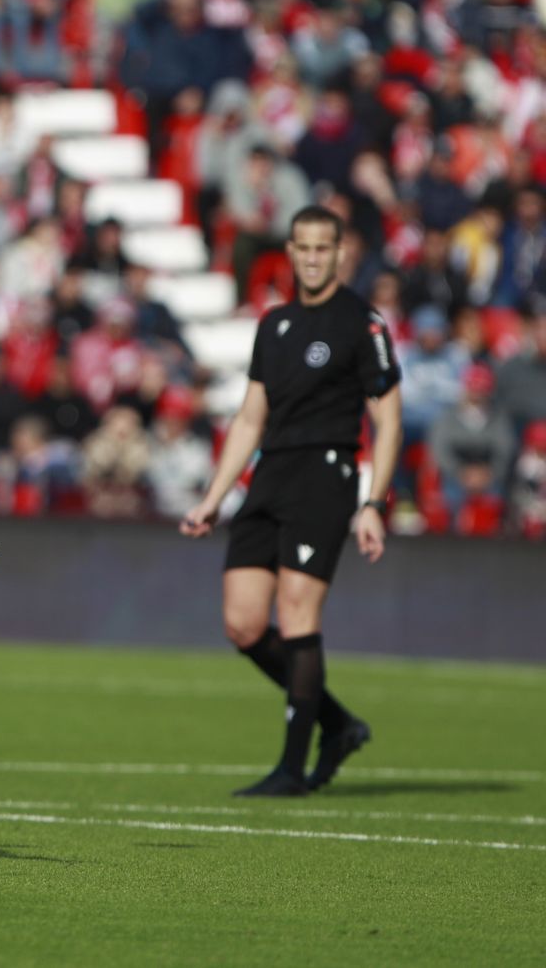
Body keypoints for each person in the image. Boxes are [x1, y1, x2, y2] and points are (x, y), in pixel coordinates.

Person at [181, 206, 403, 797]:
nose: (311, 258)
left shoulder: (363, 322)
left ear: (340, 252)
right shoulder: (274, 324)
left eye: (322, 248)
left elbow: (389, 420)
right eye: (302, 247)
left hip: (324, 477)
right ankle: (337, 724)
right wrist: (213, 497)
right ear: (290, 250)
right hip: (270, 478)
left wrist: (374, 502)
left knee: (299, 614)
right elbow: (251, 418)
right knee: (243, 625)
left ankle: (291, 769)